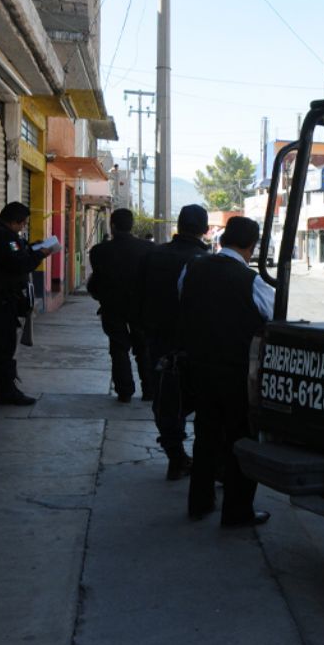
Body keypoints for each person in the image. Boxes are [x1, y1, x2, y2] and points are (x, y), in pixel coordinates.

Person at [178, 216, 273, 527]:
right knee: (240, 440)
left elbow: (184, 302)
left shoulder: (192, 267)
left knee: (205, 435)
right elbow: (274, 319)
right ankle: (237, 511)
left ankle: (199, 502)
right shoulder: (252, 281)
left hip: (199, 368)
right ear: (251, 245)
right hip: (236, 374)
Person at [139, 205, 209, 480]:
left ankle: (175, 454)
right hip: (195, 343)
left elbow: (138, 293)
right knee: (197, 398)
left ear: (177, 225)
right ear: (204, 230)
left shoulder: (153, 255)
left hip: (158, 339)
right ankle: (193, 460)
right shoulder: (205, 260)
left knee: (165, 397)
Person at [0, 202, 55, 405]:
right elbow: (20, 264)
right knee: (4, 344)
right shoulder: (5, 236)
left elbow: (9, 256)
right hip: (0, 299)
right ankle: (7, 391)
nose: (22, 228)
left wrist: (28, 247)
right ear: (14, 221)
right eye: (22, 224)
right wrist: (40, 254)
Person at [88, 209, 155, 403]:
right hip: (140, 307)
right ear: (132, 225)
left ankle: (124, 391)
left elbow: (97, 279)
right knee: (143, 348)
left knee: (118, 348)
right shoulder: (148, 249)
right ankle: (149, 390)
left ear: (113, 226)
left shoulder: (99, 251)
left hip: (112, 306)